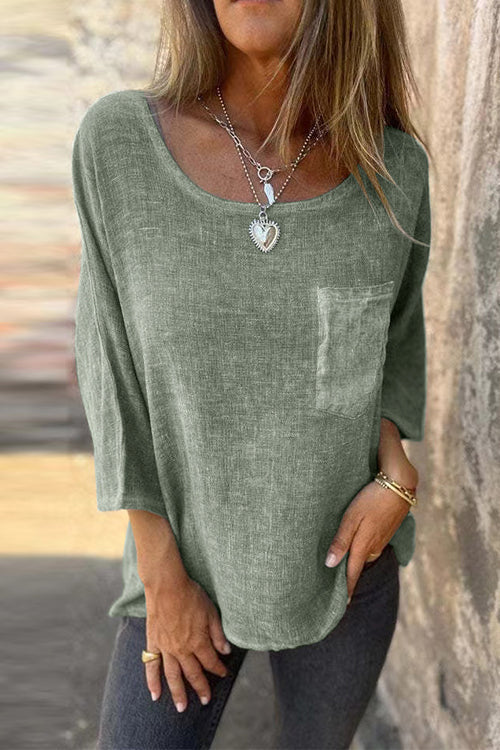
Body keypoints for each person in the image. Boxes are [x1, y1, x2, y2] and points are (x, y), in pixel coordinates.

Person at [71, 0, 432, 746]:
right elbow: (109, 363)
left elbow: (393, 340)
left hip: (345, 569)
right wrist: (161, 574)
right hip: (180, 563)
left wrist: (395, 469)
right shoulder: (120, 144)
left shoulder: (394, 170)